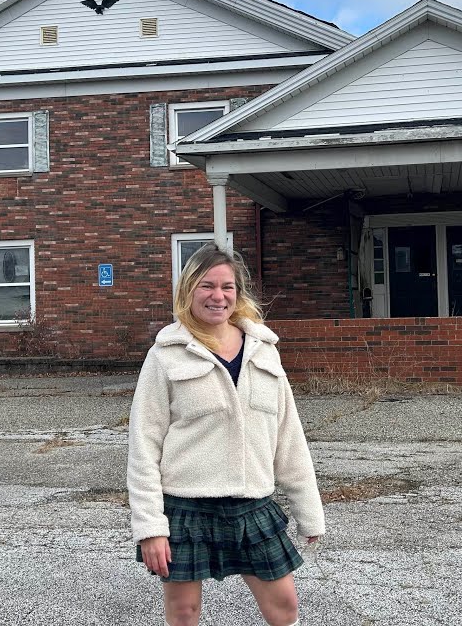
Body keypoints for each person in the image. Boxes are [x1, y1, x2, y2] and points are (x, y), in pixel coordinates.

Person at [128, 244, 324, 626]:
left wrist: (309, 513)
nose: (218, 296)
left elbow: (289, 439)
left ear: (238, 293)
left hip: (253, 507)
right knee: (183, 612)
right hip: (187, 509)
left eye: (227, 287)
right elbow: (143, 446)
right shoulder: (166, 354)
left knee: (285, 607)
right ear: (188, 290)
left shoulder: (264, 351)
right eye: (207, 286)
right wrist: (150, 528)